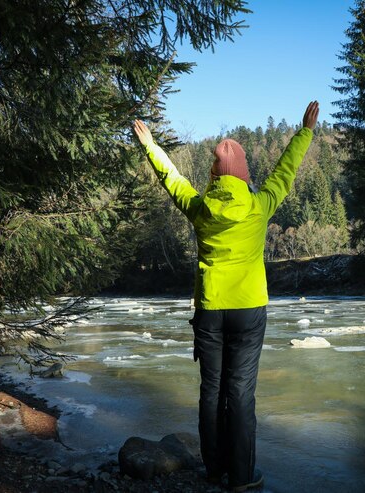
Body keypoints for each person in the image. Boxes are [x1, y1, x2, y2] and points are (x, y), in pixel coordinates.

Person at [132, 101, 318, 492]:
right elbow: (286, 172)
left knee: (211, 391)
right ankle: (243, 477)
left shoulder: (201, 208)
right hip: (250, 310)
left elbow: (173, 178)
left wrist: (150, 146)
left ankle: (214, 470)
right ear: (244, 173)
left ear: (215, 173)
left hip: (211, 311)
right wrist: (304, 132)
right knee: (241, 393)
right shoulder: (259, 205)